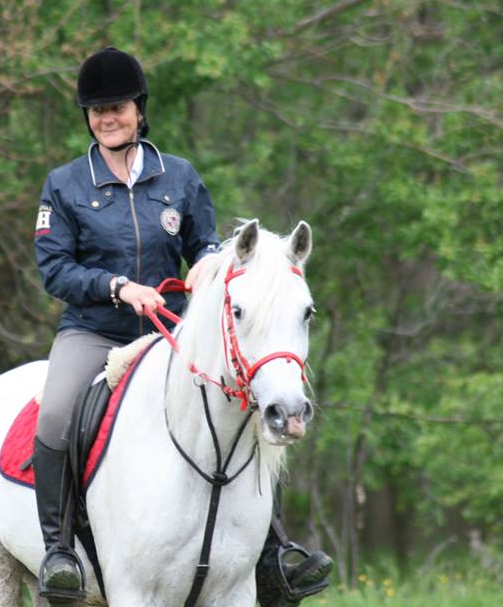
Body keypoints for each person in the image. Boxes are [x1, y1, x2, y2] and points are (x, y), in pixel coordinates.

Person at [32, 47, 333, 605]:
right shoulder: (65, 184)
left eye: (117, 107)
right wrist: (118, 287)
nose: (107, 118)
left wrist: (206, 262)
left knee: (249, 403)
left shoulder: (180, 177)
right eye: (97, 110)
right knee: (54, 416)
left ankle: (273, 551)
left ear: (139, 110)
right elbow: (55, 268)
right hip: (94, 330)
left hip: (170, 330)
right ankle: (59, 551)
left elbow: (205, 242)